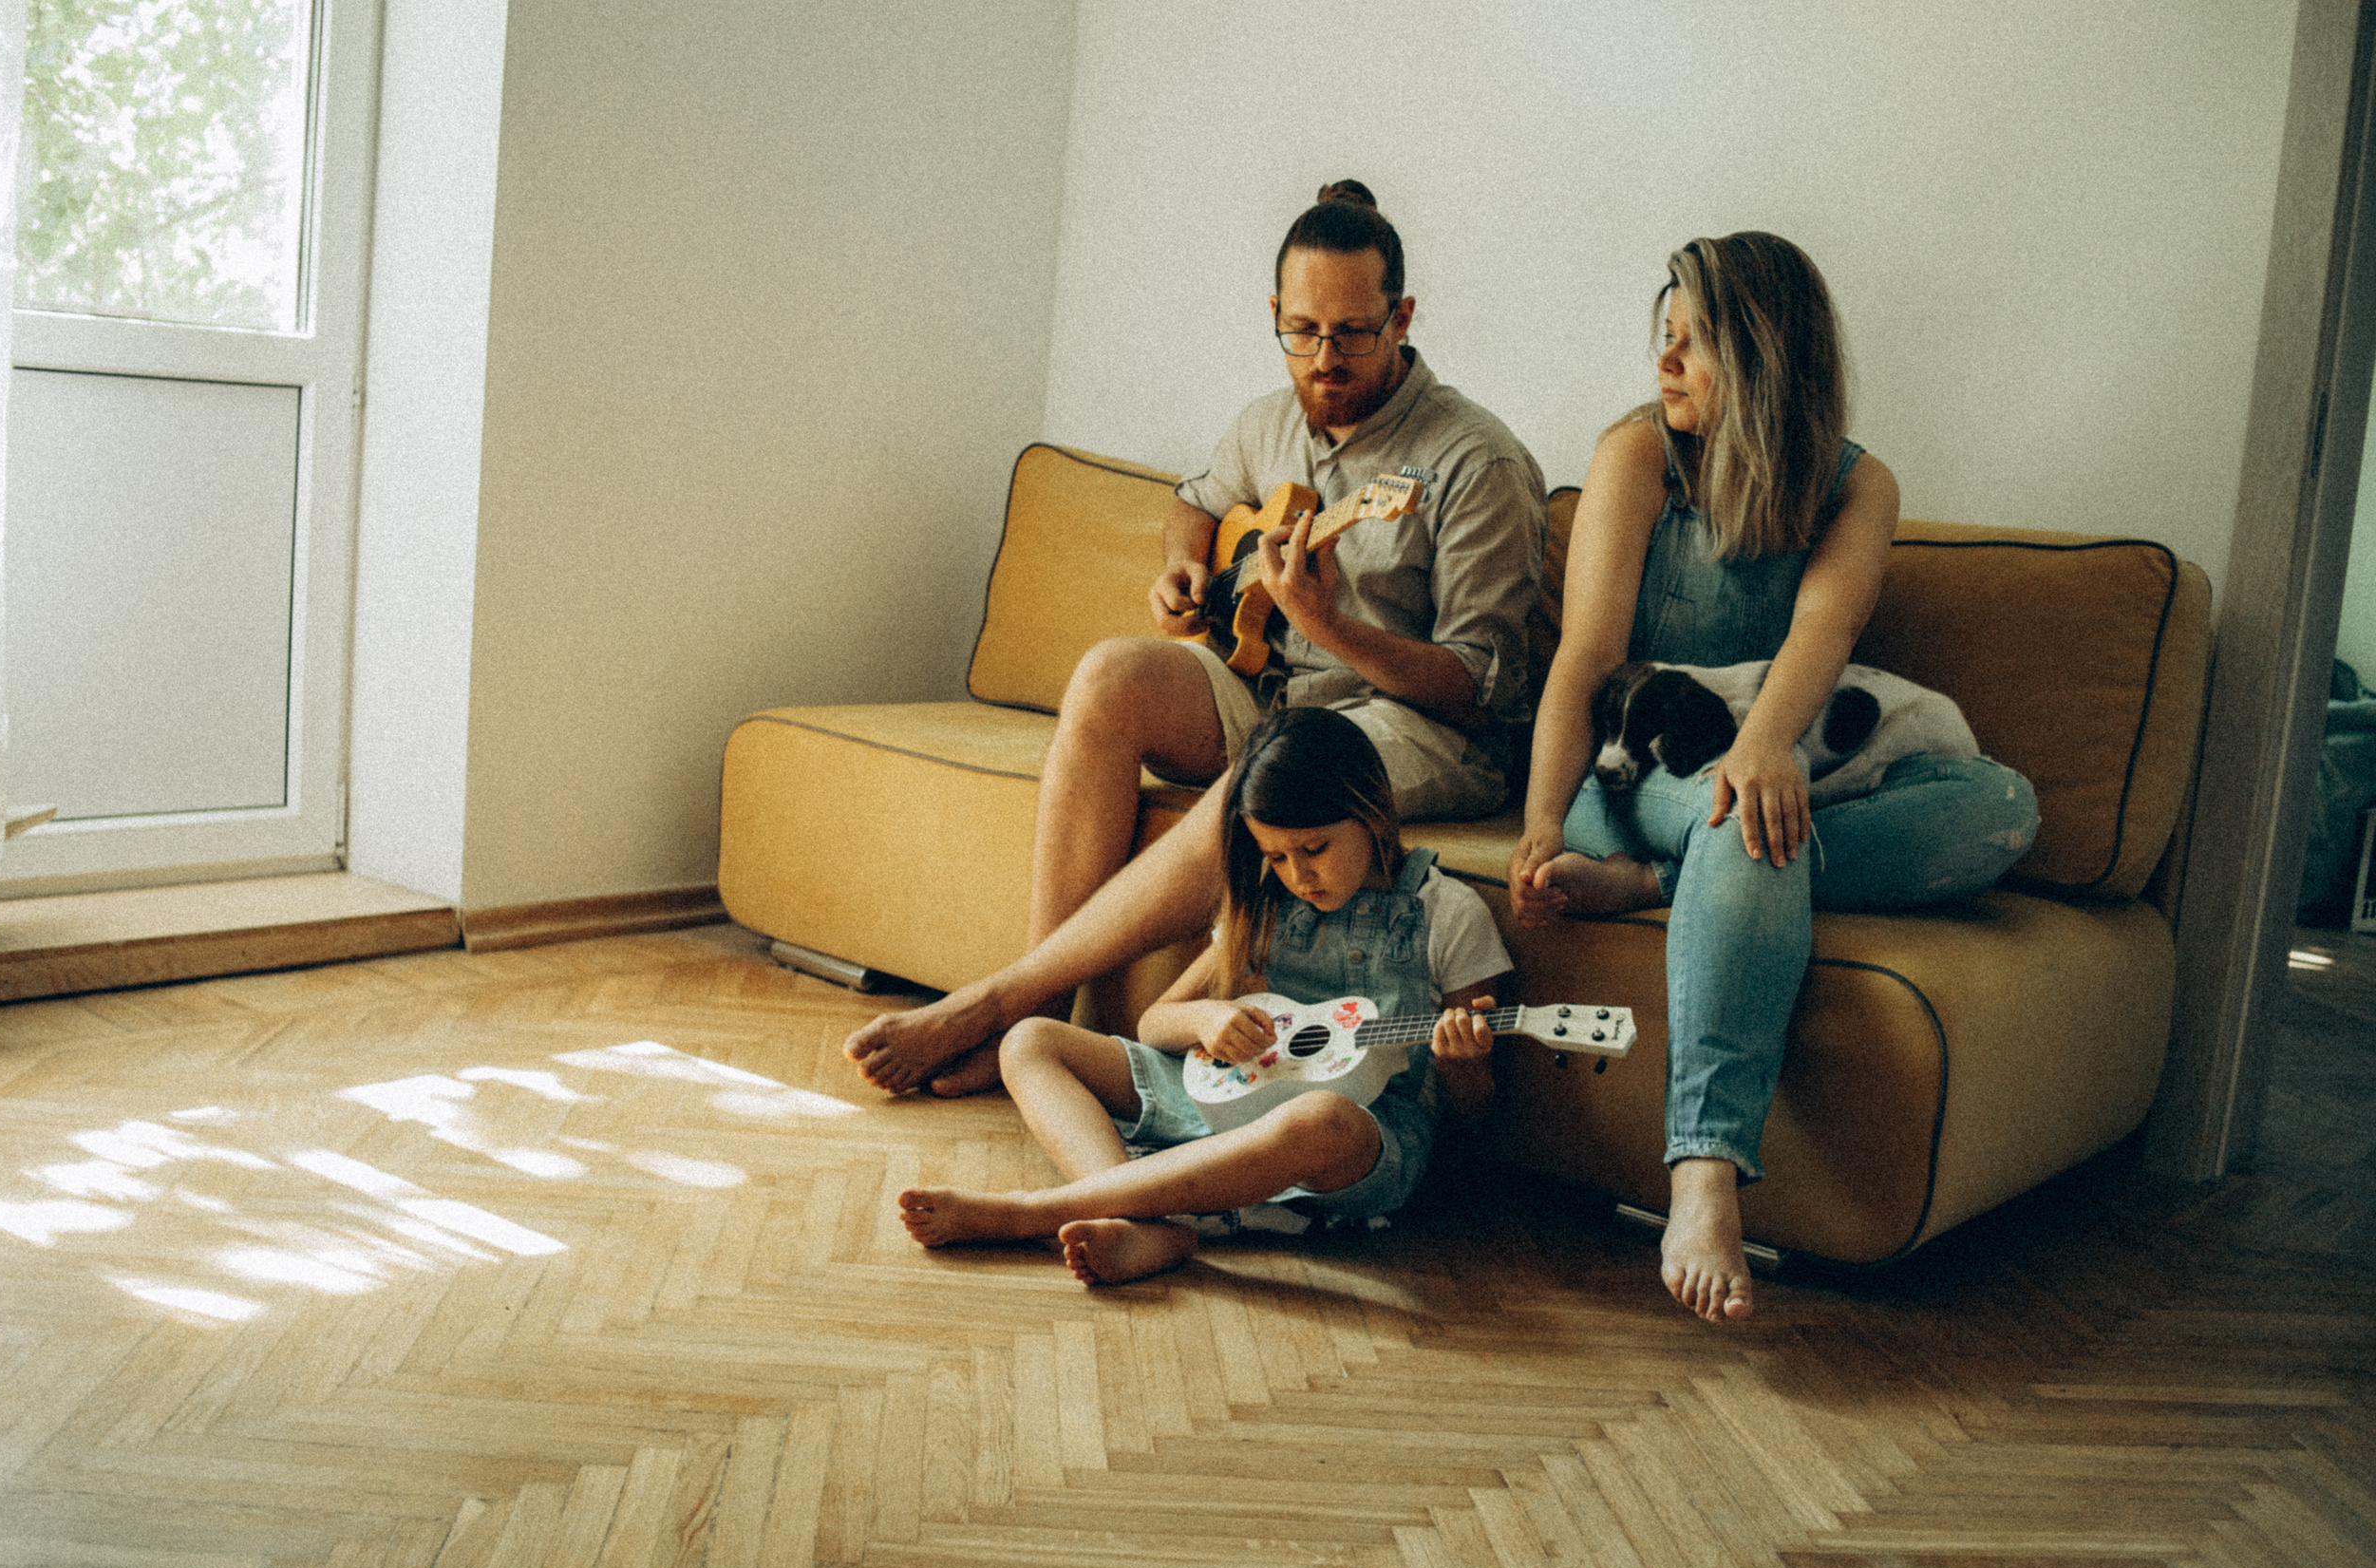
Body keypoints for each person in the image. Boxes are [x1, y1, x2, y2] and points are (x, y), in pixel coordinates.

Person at [848, 180, 1547, 1098]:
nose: (1324, 357)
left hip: (1425, 729)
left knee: (1279, 771)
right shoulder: (1268, 421)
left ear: (1402, 314)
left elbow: (1480, 687)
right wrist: (1184, 569)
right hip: (1282, 692)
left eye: (1352, 332)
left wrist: (1328, 623)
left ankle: (998, 1004)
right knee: (1110, 675)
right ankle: (1044, 1017)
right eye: (1302, 330)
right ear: (1275, 316)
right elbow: (1196, 500)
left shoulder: (1472, 460)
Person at [1507, 232, 2039, 1325]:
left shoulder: (1857, 486)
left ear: (1760, 357)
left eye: (1691, 346)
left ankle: (1672, 889)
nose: (1662, 365)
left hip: (1771, 767)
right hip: (1636, 773)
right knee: (1747, 827)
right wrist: (1539, 822)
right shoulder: (1636, 457)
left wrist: (1760, 751)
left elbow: (1823, 633)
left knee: (2000, 810)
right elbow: (1586, 658)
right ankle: (1703, 1173)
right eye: (1662, 339)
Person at [896, 707, 1511, 1283]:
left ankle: (1032, 1211)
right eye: (1276, 854)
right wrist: (1209, 1016)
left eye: (1314, 848)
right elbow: (1154, 1022)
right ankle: (1140, 1222)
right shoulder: (1270, 902)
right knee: (1030, 1040)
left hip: (1355, 1137)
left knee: (1319, 1118)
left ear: (1374, 809)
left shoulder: (1448, 914)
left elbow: (1477, 1114)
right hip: (1231, 1094)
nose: (1298, 875)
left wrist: (1467, 1060)